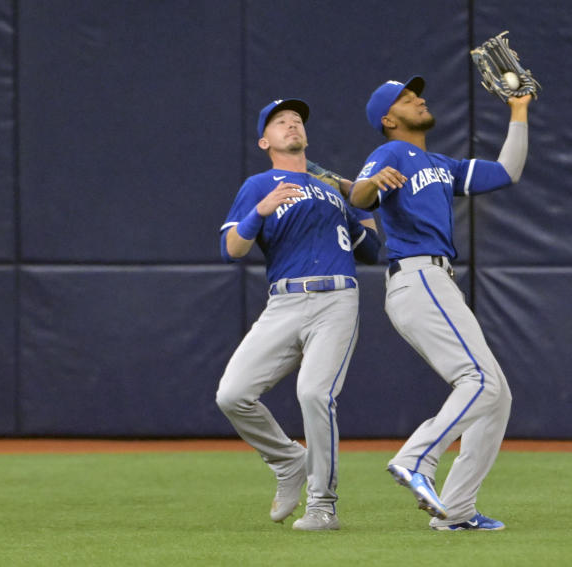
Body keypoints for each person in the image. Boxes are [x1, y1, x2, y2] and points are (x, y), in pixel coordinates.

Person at [349, 76, 533, 531]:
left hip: (435, 281)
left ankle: (458, 510)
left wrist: (518, 111)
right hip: (418, 275)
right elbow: (357, 196)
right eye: (407, 100)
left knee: (497, 395)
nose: (419, 99)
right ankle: (416, 460)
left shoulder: (437, 162)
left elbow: (507, 171)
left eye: (417, 95)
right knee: (480, 381)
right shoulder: (392, 153)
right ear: (389, 120)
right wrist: (372, 182)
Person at [216, 98, 380, 531]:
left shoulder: (334, 187)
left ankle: (323, 504)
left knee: (314, 394)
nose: (291, 124)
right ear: (264, 140)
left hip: (336, 300)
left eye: (296, 120)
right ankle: (289, 461)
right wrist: (260, 211)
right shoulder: (258, 185)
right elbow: (232, 250)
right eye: (280, 122)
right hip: (284, 302)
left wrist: (356, 213)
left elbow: (372, 251)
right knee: (232, 394)